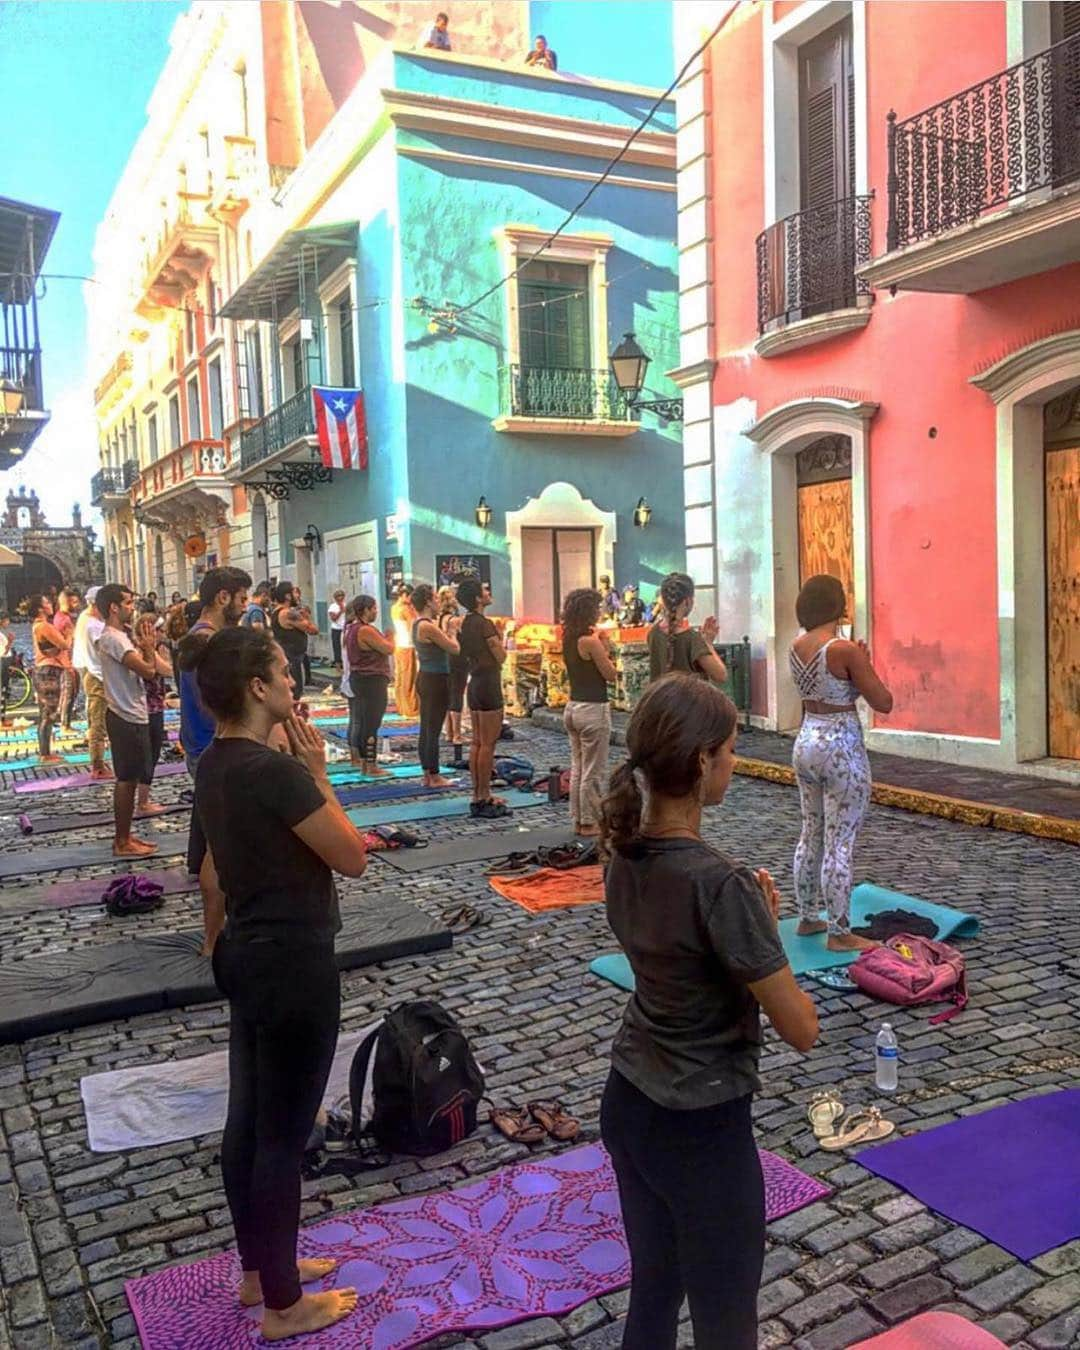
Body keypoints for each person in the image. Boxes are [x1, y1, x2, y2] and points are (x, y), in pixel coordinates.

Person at [598, 674, 819, 1349]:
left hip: (631, 1099)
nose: (733, 764)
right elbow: (802, 1028)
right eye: (727, 752)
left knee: (654, 1297)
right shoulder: (720, 882)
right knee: (726, 1323)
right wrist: (764, 933)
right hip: (700, 1126)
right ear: (700, 762)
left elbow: (676, 968)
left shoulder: (623, 856)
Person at [192, 625, 365, 1341]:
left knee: (248, 1120)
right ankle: (283, 1304)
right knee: (281, 1137)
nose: (296, 686)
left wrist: (218, 949)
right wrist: (320, 775)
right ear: (258, 689)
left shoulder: (213, 764)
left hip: (247, 956)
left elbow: (207, 874)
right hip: (292, 964)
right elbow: (352, 856)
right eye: (286, 676)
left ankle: (260, 1271)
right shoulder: (276, 772)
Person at [790, 574, 893, 953]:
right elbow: (882, 701)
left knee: (810, 831)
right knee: (840, 842)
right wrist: (863, 661)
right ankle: (839, 930)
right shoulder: (844, 649)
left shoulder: (796, 644)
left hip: (806, 738)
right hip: (840, 744)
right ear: (837, 605)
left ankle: (806, 916)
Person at [179, 566, 252, 954]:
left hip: (203, 747)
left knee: (216, 846)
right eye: (242, 598)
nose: (245, 606)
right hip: (213, 747)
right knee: (218, 849)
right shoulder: (209, 644)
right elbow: (213, 705)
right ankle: (212, 939)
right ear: (223, 597)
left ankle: (218, 934)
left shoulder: (199, 639)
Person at [94, 584, 172, 857]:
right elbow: (149, 672)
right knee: (126, 779)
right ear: (114, 607)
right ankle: (122, 840)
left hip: (131, 712)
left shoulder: (120, 637)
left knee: (131, 775)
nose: (132, 607)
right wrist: (150, 648)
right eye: (127, 602)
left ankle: (126, 836)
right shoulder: (114, 639)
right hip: (125, 715)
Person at [561, 588, 618, 837]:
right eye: (596, 608)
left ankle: (577, 818)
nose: (599, 611)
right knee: (593, 770)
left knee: (578, 767)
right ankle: (588, 821)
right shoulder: (590, 642)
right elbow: (610, 674)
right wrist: (606, 649)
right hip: (593, 708)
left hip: (573, 706)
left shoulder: (568, 638)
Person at [458, 579, 508, 818]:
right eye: (485, 590)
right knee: (487, 743)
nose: (489, 593)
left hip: (475, 682)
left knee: (477, 742)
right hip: (488, 682)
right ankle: (483, 795)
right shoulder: (484, 624)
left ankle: (477, 793)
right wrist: (501, 637)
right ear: (478, 598)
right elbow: (501, 656)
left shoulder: (465, 623)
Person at [411, 582, 460, 789]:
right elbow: (454, 648)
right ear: (429, 602)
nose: (439, 603)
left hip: (428, 676)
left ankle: (427, 773)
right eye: (436, 599)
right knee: (432, 728)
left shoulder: (419, 624)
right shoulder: (427, 626)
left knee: (428, 726)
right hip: (435, 679)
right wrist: (452, 631)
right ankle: (433, 775)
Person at [344, 595, 394, 777]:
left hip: (361, 679)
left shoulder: (352, 629)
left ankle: (365, 763)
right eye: (373, 608)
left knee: (365, 721)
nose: (376, 611)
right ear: (365, 610)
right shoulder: (364, 630)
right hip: (371, 680)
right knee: (371, 723)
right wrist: (390, 636)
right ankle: (370, 764)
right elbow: (388, 648)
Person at [647, 572, 728, 684]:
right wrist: (707, 643)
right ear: (687, 601)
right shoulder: (692, 639)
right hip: (688, 701)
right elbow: (721, 676)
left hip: (659, 700)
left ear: (663, 601)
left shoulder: (653, 633)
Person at [134, 612, 171, 817]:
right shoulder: (140, 651)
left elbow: (169, 669)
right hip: (144, 709)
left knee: (154, 754)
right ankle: (142, 802)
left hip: (156, 707)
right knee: (146, 756)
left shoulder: (154, 650)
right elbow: (164, 670)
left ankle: (144, 799)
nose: (163, 634)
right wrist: (152, 650)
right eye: (160, 631)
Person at [73, 586, 111, 779]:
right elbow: (103, 648)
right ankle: (97, 765)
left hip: (90, 672)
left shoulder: (84, 618)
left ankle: (99, 762)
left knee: (96, 719)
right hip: (97, 675)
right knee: (98, 723)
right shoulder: (93, 625)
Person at [29, 594, 69, 762]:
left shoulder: (39, 626)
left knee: (46, 712)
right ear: (40, 608)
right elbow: (64, 644)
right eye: (46, 602)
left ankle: (45, 751)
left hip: (46, 669)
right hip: (48, 670)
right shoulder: (43, 626)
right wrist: (69, 634)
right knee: (48, 712)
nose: (50, 604)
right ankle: (45, 753)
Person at [437, 584, 466, 765]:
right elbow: (460, 639)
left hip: (446, 658)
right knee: (457, 694)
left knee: (449, 694)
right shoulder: (455, 620)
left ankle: (448, 731)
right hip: (457, 658)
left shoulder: (440, 618)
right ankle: (456, 734)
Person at [271, 582, 316, 699]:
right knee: (295, 694)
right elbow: (313, 630)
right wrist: (306, 616)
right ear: (287, 596)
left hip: (288, 657)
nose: (298, 596)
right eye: (295, 592)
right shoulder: (288, 613)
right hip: (293, 659)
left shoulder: (276, 611)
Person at [53, 589, 82, 729]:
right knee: (69, 691)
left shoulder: (63, 617)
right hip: (66, 660)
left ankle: (66, 722)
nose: (77, 605)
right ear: (67, 602)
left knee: (72, 691)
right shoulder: (63, 620)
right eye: (75, 602)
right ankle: (65, 724)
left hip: (71, 659)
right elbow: (67, 641)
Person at [390, 584, 419, 719]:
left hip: (399, 645)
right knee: (410, 678)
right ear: (404, 595)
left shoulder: (394, 608)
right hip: (408, 645)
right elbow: (412, 628)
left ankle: (401, 706)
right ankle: (410, 709)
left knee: (400, 678)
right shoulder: (406, 609)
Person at [328, 589, 347, 667]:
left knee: (345, 646)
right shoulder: (333, 606)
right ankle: (338, 663)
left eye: (341, 596)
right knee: (336, 646)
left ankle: (344, 662)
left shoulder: (346, 605)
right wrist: (340, 611)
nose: (340, 598)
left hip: (344, 628)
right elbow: (333, 618)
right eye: (338, 596)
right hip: (336, 629)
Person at [0, 611, 12, 707]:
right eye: (7, 620)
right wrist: (10, 641)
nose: (8, 622)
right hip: (3, 661)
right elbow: (3, 652)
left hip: (5, 660)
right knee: (4, 685)